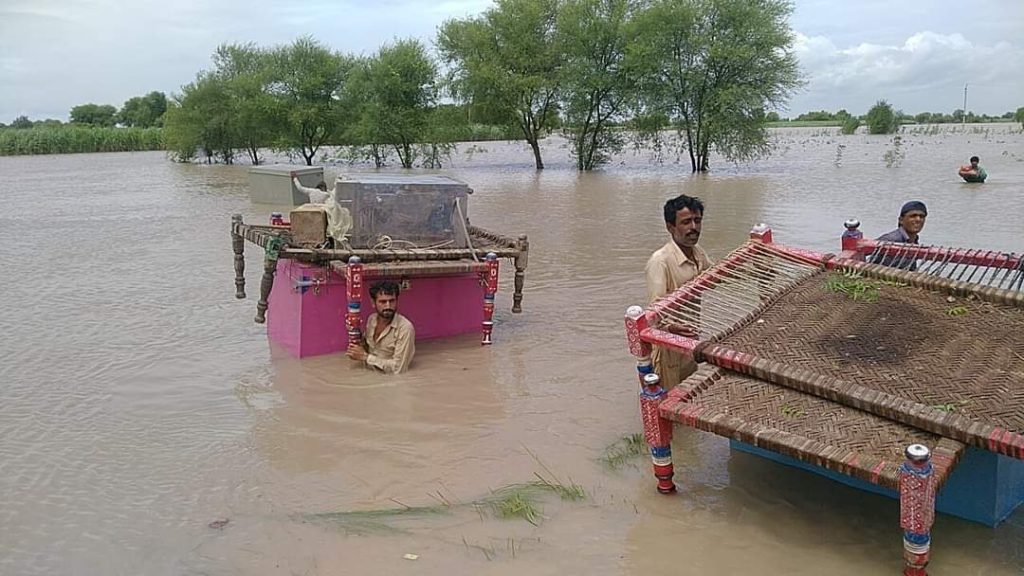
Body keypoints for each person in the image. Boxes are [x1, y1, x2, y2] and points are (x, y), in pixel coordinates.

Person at [644, 194, 713, 390]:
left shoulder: (697, 252)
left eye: (697, 220)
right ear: (670, 227)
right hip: (668, 349)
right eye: (686, 222)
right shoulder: (660, 262)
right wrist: (670, 328)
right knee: (667, 401)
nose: (694, 227)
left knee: (687, 396)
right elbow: (653, 314)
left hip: (689, 342)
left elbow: (715, 276)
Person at [346, 281, 416, 374]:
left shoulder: (405, 328)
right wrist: (354, 333)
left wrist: (365, 357)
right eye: (383, 302)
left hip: (389, 380)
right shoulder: (371, 319)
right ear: (373, 303)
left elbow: (398, 368)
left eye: (392, 301)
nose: (388, 306)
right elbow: (367, 348)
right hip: (368, 373)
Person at [871, 200, 927, 270]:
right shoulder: (891, 241)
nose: (918, 219)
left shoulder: (914, 241)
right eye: (913, 216)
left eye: (921, 216)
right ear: (901, 220)